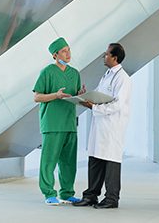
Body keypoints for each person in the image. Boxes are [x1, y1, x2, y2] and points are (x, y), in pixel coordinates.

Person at [73, 43, 131, 209]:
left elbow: (118, 104)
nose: (103, 56)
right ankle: (91, 195)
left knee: (110, 161)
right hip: (100, 124)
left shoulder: (123, 78)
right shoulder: (107, 75)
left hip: (112, 127)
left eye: (106, 54)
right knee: (95, 158)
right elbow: (98, 94)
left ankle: (112, 199)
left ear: (114, 57)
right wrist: (84, 98)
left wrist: (95, 107)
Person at [33, 37, 86, 206]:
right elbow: (37, 97)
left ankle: (67, 193)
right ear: (55, 55)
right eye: (64, 51)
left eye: (69, 49)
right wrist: (56, 95)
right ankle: (49, 193)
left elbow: (75, 97)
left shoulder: (75, 73)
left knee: (69, 162)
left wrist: (81, 94)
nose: (68, 53)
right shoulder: (47, 72)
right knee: (49, 161)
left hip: (69, 123)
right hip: (52, 123)